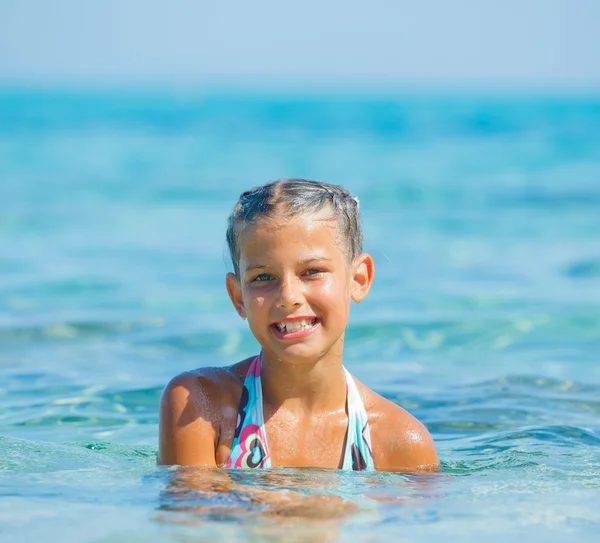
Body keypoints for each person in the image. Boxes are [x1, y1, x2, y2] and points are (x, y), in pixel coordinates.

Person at [159, 179, 438, 472]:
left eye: (312, 271)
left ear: (358, 280)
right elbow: (189, 515)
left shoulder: (399, 443)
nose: (288, 297)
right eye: (263, 278)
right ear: (238, 296)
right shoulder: (201, 407)